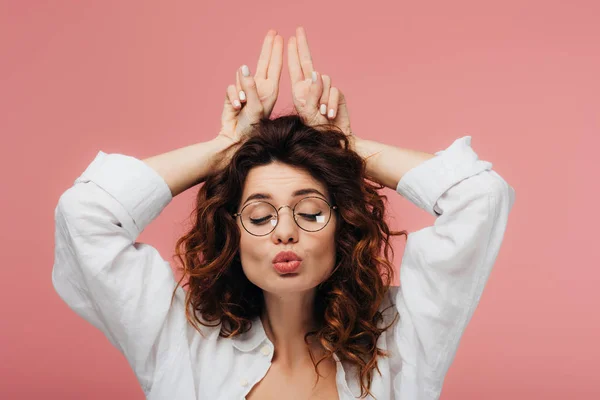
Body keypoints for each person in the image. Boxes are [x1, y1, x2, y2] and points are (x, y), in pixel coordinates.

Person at [52, 27, 516, 400]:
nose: (285, 234)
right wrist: (224, 149)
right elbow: (85, 214)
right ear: (231, 230)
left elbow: (480, 196)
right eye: (259, 217)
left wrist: (345, 149)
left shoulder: (401, 337)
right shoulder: (179, 336)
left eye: (311, 213)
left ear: (343, 224)